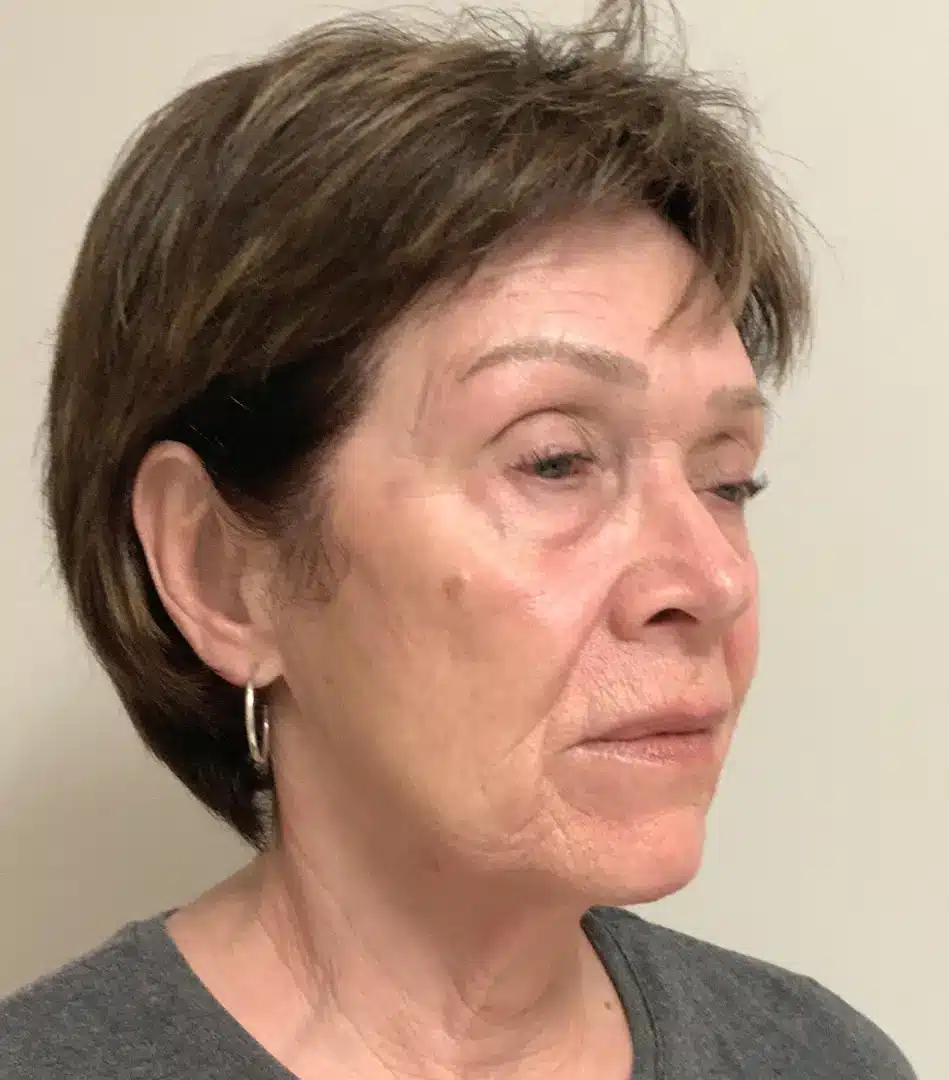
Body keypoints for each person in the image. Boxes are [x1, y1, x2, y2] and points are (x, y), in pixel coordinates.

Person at [0, 2, 917, 1078]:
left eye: (727, 478)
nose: (712, 581)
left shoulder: (819, 1059)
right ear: (221, 572)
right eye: (556, 460)